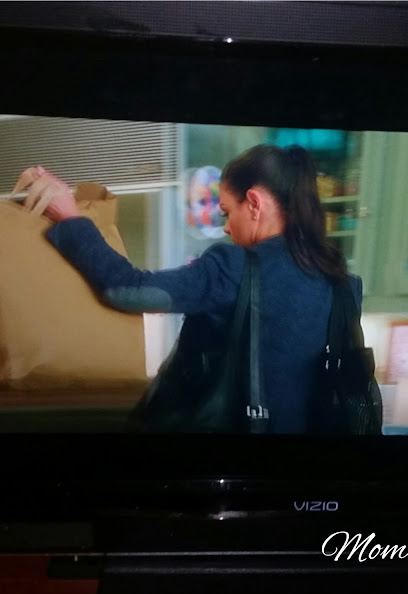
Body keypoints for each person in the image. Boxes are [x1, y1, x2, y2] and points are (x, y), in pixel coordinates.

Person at [13, 145, 362, 434]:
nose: (227, 228)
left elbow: (127, 289)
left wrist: (71, 216)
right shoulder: (342, 282)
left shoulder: (235, 266)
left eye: (227, 212)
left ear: (254, 203)